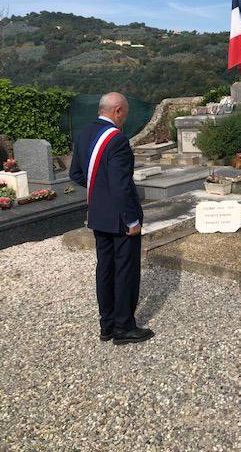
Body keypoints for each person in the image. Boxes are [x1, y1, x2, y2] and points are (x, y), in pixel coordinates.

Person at [69, 92, 154, 345]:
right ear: (117, 110)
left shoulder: (84, 133)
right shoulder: (117, 139)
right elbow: (121, 185)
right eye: (125, 113)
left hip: (98, 215)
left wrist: (100, 192)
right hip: (119, 218)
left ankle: (106, 326)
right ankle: (124, 327)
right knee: (125, 271)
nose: (125, 119)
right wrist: (131, 221)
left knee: (105, 269)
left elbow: (75, 174)